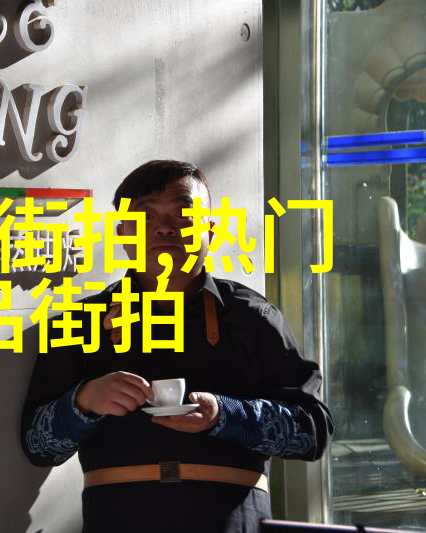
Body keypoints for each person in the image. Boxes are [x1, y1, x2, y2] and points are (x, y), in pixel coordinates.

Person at [20, 160, 334, 533]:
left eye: (183, 213)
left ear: (210, 229)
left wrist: (226, 415)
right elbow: (38, 446)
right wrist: (83, 402)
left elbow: (313, 431)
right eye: (146, 215)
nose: (165, 227)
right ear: (122, 232)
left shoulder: (254, 317)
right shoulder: (82, 322)